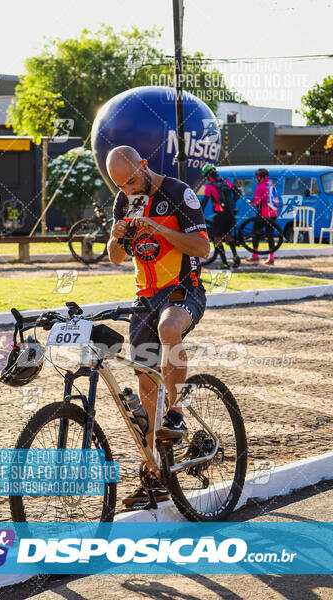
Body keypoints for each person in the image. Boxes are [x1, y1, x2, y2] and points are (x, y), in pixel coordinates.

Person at [106, 145, 209, 507]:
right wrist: (117, 236)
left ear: (144, 165)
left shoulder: (179, 193)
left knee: (169, 329)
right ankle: (155, 475)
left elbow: (202, 248)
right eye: (121, 186)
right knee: (145, 388)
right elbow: (115, 257)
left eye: (132, 180)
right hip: (144, 299)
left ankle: (177, 414)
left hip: (185, 291)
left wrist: (155, 227)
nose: (129, 190)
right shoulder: (123, 200)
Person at [201, 163, 241, 270]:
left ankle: (225, 263)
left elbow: (204, 202)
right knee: (228, 236)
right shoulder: (226, 181)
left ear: (208, 176)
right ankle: (235, 256)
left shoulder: (209, 186)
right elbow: (238, 193)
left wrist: (198, 213)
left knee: (217, 239)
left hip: (219, 215)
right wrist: (231, 203)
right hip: (230, 213)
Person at [246, 168, 279, 266]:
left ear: (261, 177)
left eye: (257, 176)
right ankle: (271, 258)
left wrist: (251, 203)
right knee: (270, 235)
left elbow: (256, 202)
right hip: (273, 213)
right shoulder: (272, 185)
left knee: (255, 233)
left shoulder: (260, 186)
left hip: (263, 213)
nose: (256, 178)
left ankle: (255, 256)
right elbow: (276, 200)